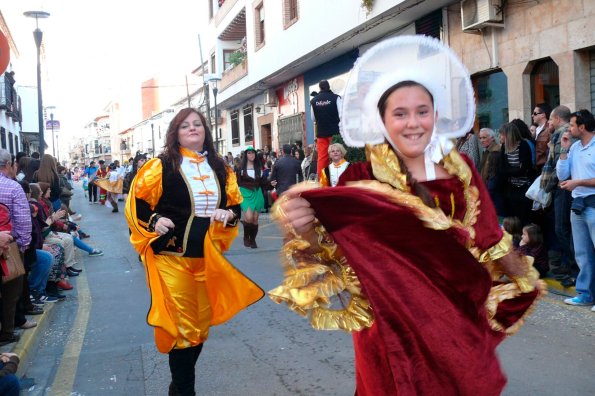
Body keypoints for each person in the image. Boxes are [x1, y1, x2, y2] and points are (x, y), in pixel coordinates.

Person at [269, 36, 543, 395]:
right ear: (382, 120)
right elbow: (329, 258)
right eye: (400, 113)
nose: (413, 123)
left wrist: (523, 277)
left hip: (453, 327)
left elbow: (490, 240)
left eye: (422, 111)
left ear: (435, 115)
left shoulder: (463, 175)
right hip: (387, 334)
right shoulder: (359, 180)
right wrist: (301, 228)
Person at [125, 108, 264, 395]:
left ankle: (177, 388)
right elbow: (137, 205)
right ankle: (186, 391)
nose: (192, 129)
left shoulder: (220, 168)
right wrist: (154, 220)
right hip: (171, 258)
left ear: (205, 131)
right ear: (175, 132)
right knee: (183, 327)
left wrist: (228, 214)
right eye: (185, 125)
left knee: (199, 328)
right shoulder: (160, 165)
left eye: (197, 124)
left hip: (207, 257)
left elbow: (235, 206)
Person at [556, 109, 595, 309]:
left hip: (593, 203)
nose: (569, 129)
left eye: (572, 125)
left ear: (582, 127)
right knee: (582, 253)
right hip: (577, 204)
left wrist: (578, 182)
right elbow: (562, 175)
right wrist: (563, 150)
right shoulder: (575, 147)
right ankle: (585, 294)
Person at [497, 122, 535, 226]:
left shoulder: (523, 145)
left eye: (502, 134)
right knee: (513, 218)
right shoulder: (504, 147)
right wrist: (515, 169)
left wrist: (510, 171)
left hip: (524, 187)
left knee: (524, 218)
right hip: (511, 187)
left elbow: (524, 169)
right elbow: (501, 169)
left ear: (508, 135)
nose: (500, 137)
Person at [236, 146, 268, 248]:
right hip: (245, 194)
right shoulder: (240, 168)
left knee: (254, 219)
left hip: (257, 193)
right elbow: (237, 182)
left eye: (253, 153)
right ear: (246, 155)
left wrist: (271, 183)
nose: (251, 155)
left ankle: (252, 240)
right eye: (249, 153)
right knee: (249, 217)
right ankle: (246, 237)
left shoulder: (259, 167)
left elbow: (264, 182)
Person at [310, 80, 341, 177]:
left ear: (320, 88)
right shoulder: (336, 98)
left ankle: (322, 180)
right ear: (329, 87)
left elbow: (313, 118)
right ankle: (338, 176)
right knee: (336, 155)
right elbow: (341, 115)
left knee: (322, 157)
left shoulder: (314, 101)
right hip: (335, 134)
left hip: (321, 134)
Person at [478, 128, 503, 215]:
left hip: (494, 193)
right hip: (487, 190)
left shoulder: (496, 151)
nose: (481, 140)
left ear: (492, 138)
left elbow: (494, 175)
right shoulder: (486, 151)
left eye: (484, 137)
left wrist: (487, 191)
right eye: (480, 138)